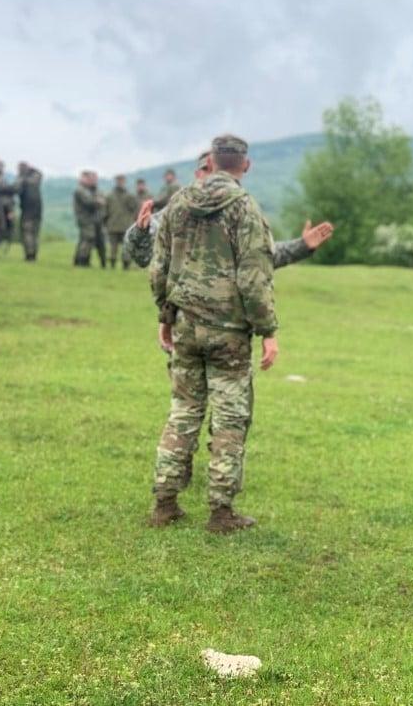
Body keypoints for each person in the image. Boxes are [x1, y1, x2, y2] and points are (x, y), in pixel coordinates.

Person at [149, 134, 278, 533]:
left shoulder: (179, 203)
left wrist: (165, 316)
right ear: (245, 165)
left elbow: (160, 268)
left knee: (183, 410)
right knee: (229, 417)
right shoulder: (244, 208)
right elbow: (253, 276)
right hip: (228, 332)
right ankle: (221, 512)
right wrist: (268, 330)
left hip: (186, 324)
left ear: (211, 161)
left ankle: (165, 501)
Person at [125, 151, 334, 269]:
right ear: (197, 174)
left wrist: (302, 246)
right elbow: (141, 256)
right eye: (206, 170)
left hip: (229, 326)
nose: (212, 176)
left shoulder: (243, 209)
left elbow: (262, 257)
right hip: (186, 324)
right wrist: (140, 232)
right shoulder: (180, 208)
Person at [72, 170, 106, 267]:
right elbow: (89, 202)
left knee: (85, 239)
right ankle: (82, 261)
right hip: (85, 219)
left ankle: (80, 260)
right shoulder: (80, 190)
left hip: (93, 219)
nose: (91, 181)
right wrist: (98, 201)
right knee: (88, 238)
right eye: (88, 178)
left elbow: (100, 200)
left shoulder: (92, 190)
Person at [104, 174, 138, 269]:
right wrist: (106, 223)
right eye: (118, 180)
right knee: (113, 248)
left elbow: (135, 209)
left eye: (121, 180)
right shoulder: (109, 196)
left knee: (126, 248)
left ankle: (126, 266)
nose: (120, 182)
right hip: (113, 225)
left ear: (124, 181)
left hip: (126, 226)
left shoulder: (130, 196)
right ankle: (112, 266)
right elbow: (105, 211)